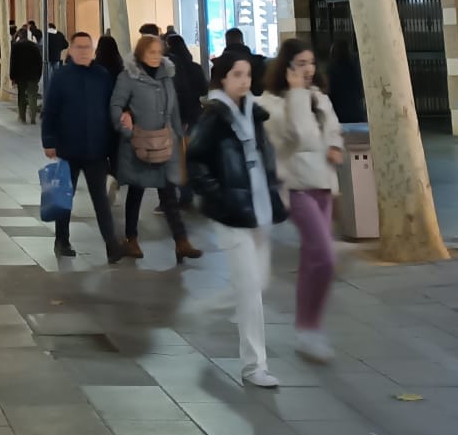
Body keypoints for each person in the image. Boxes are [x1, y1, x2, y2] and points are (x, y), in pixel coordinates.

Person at [187, 54, 282, 388]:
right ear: (222, 79)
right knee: (251, 290)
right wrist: (219, 196)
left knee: (259, 283)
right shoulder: (214, 117)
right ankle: (255, 365)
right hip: (231, 214)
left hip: (258, 209)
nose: (245, 81)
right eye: (237, 75)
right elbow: (195, 161)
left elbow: (263, 156)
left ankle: (209, 310)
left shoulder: (252, 114)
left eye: (248, 74)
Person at [262, 37, 344, 362]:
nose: (308, 70)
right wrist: (296, 94)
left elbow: (332, 128)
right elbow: (300, 136)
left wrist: (336, 145)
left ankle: (308, 328)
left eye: (311, 63)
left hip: (324, 183)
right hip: (295, 186)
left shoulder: (318, 97)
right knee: (324, 257)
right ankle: (307, 328)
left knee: (314, 261)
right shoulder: (272, 104)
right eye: (300, 64)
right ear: (286, 68)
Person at [111, 33, 202, 263]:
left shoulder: (166, 77)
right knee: (136, 192)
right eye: (151, 52)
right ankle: (131, 239)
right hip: (138, 145)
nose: (156, 56)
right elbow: (115, 106)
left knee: (169, 194)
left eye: (159, 52)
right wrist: (128, 131)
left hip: (164, 145)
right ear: (141, 52)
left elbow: (173, 109)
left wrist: (178, 136)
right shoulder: (128, 77)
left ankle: (181, 241)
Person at [39, 32, 124, 262]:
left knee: (101, 200)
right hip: (68, 148)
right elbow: (50, 111)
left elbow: (111, 107)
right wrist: (49, 141)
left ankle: (111, 244)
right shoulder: (61, 77)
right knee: (64, 197)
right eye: (80, 47)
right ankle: (62, 240)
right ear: (71, 50)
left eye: (88, 47)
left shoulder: (102, 76)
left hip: (96, 150)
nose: (84, 51)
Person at [163, 32, 207, 208]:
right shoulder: (194, 67)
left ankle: (185, 195)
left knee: (179, 158)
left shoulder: (173, 70)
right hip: (196, 114)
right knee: (194, 155)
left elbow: (178, 95)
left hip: (181, 117)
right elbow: (203, 89)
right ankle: (199, 189)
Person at [325, 39, 367, 125]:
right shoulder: (356, 66)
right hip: (357, 110)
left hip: (338, 112)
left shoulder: (331, 69)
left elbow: (330, 90)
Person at [9, 25, 45, 125]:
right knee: (32, 96)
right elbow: (39, 62)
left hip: (20, 75)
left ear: (19, 36)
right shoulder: (34, 46)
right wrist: (38, 74)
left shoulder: (16, 46)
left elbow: (13, 62)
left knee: (21, 96)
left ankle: (22, 116)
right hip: (33, 75)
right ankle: (33, 117)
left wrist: (12, 76)